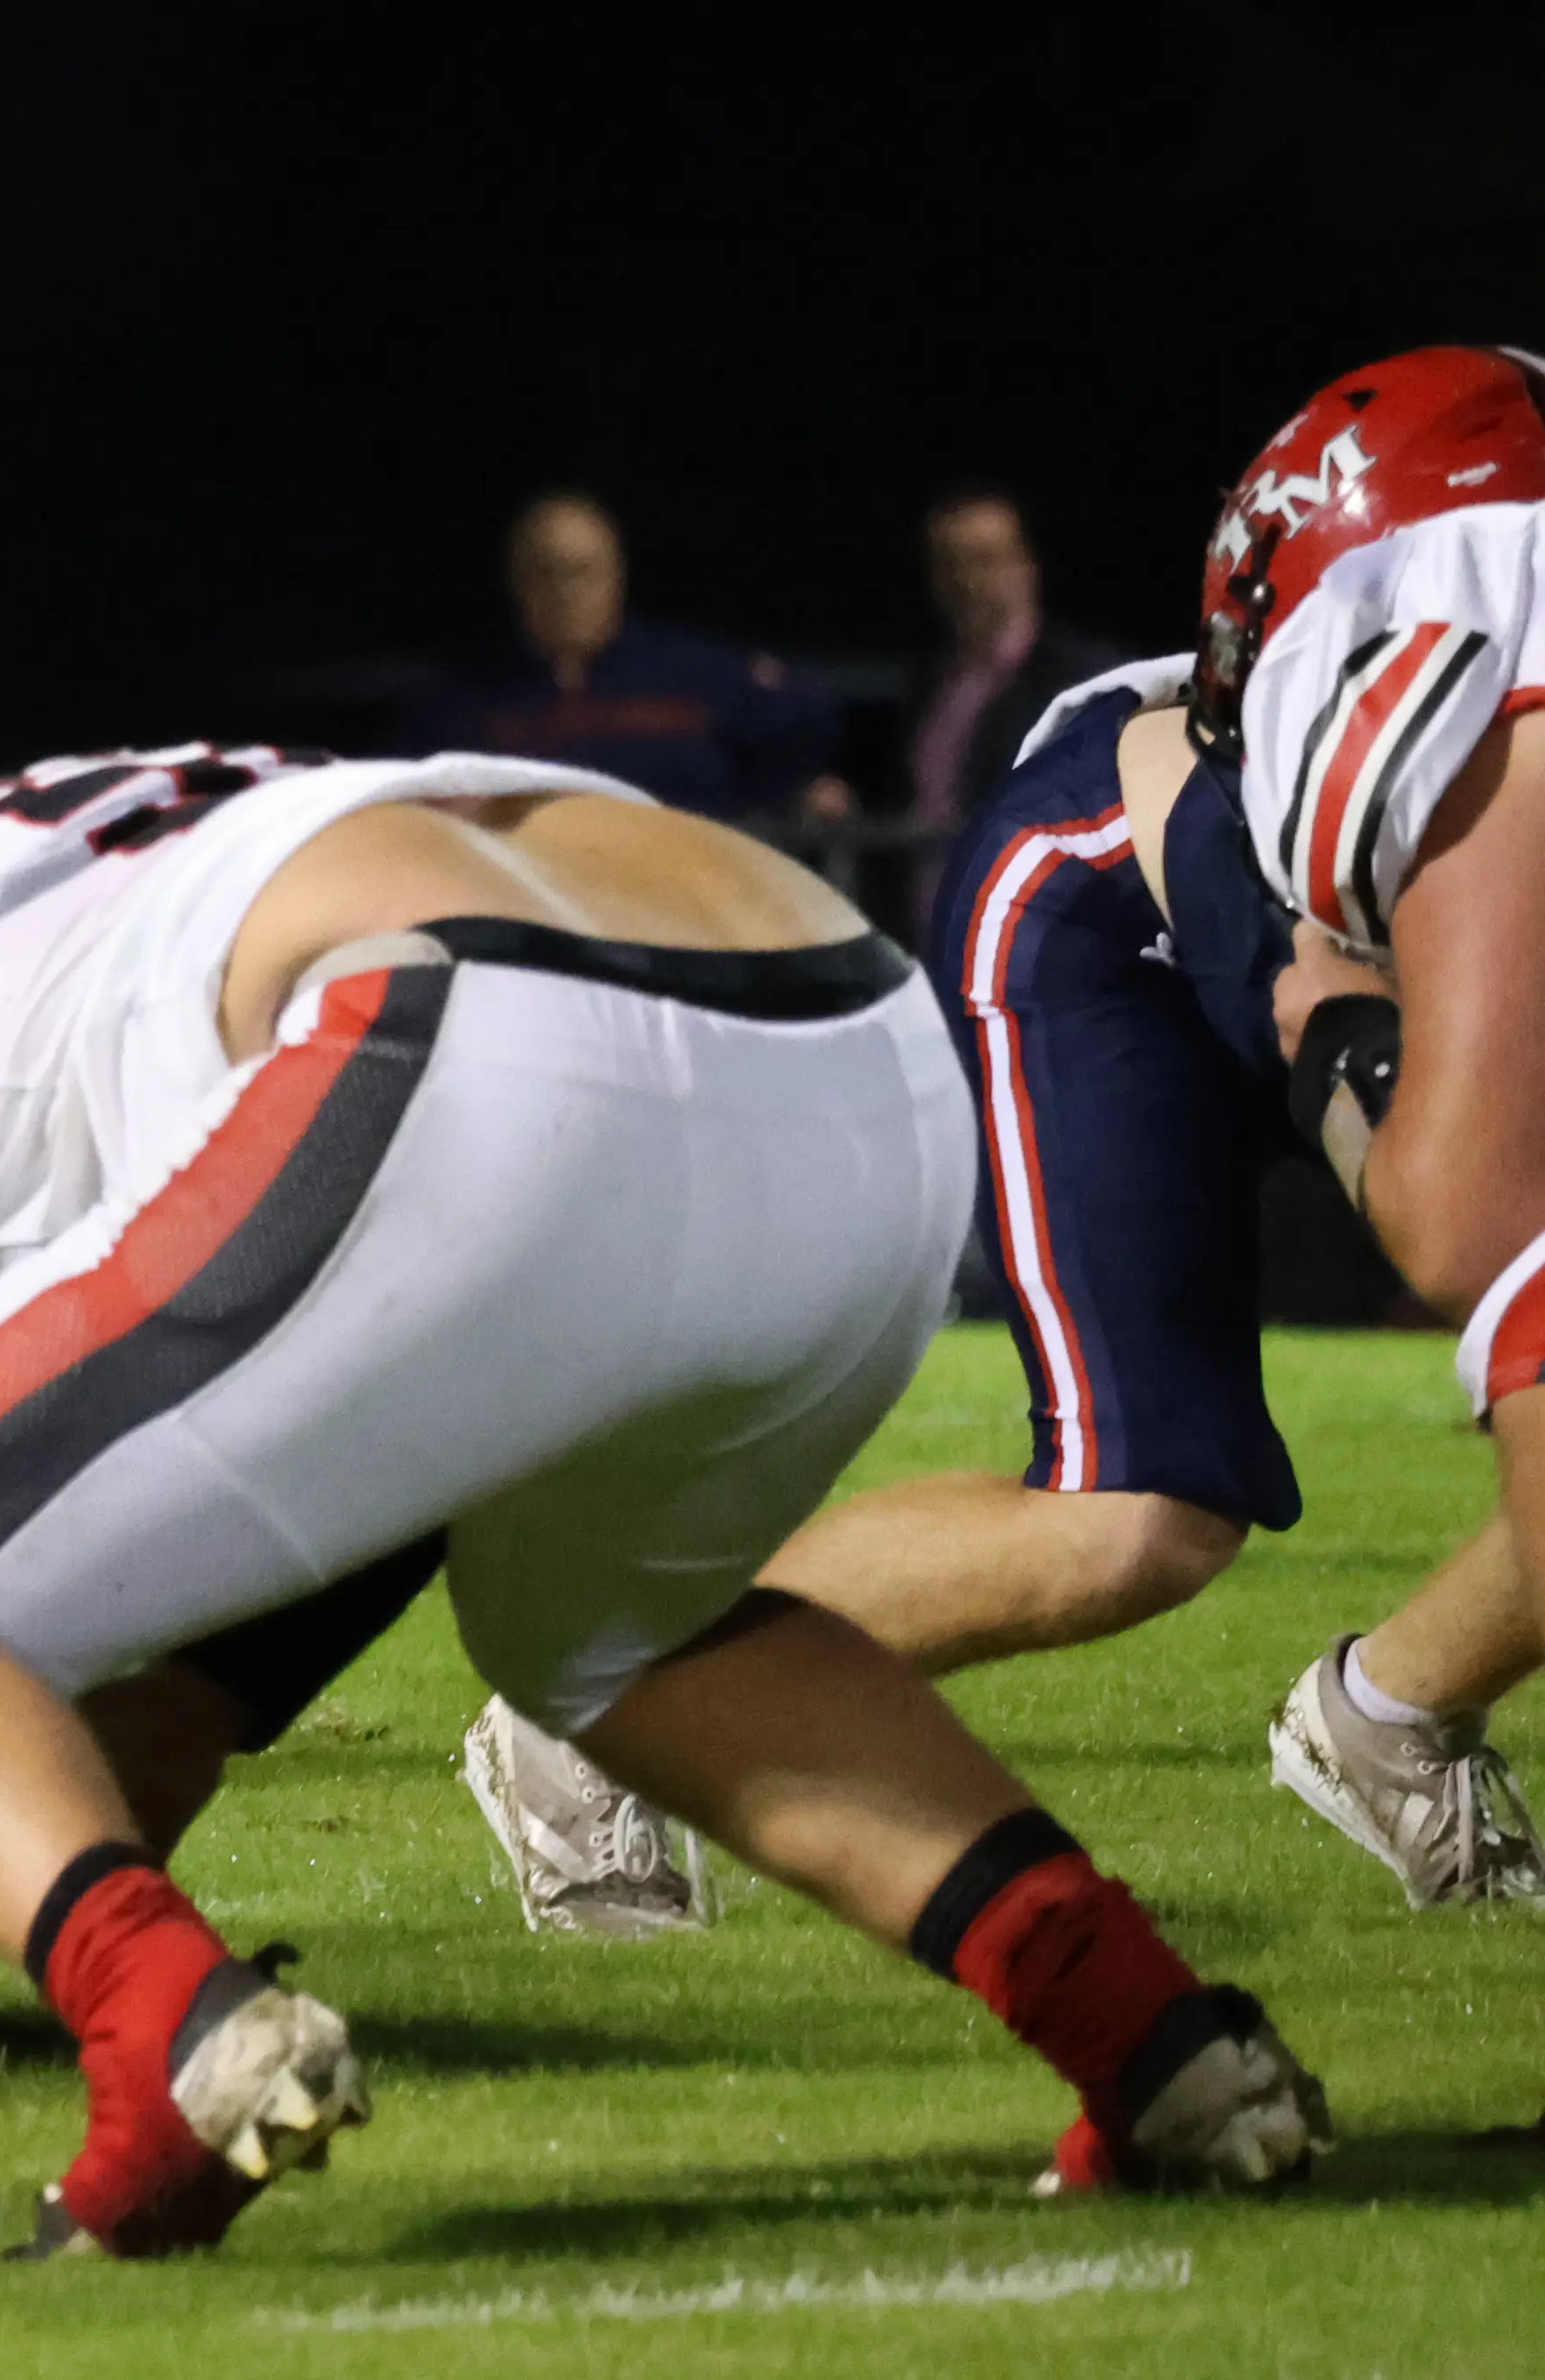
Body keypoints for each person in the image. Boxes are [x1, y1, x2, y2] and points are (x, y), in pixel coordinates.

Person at [0, 586, 1326, 2247]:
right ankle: (1159, 2041)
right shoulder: (11, 859)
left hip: (478, 1053)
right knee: (607, 1634)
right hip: (852, 1058)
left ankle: (184, 2052)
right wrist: (80, 1836)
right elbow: (313, 1500)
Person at [462, 652, 1542, 1931]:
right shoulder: (1443, 669)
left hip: (1323, 941)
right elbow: (1326, 1011)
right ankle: (601, 1697)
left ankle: (1395, 1712)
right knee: (1133, 1519)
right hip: (1111, 916)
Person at [1192, 351, 1545, 2105]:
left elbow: (1460, 1213)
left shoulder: (1448, 596)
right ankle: (1389, 1709)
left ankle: (1390, 1708)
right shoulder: (1491, 606)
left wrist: (1338, 1016)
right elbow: (1479, 1220)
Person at [394, 489, 850, 825]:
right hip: (528, 917)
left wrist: (782, 798)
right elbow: (405, 788)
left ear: (617, 575)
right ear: (516, 582)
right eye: (546, 573)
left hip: (678, 903)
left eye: (583, 572)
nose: (566, 593)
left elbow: (805, 725)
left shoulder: (689, 673)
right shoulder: (467, 699)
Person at [892, 484, 1131, 938]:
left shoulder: (1083, 681)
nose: (967, 581)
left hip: (1037, 944)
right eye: (949, 563)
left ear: (1026, 566)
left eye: (984, 560)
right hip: (937, 941)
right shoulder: (930, 681)